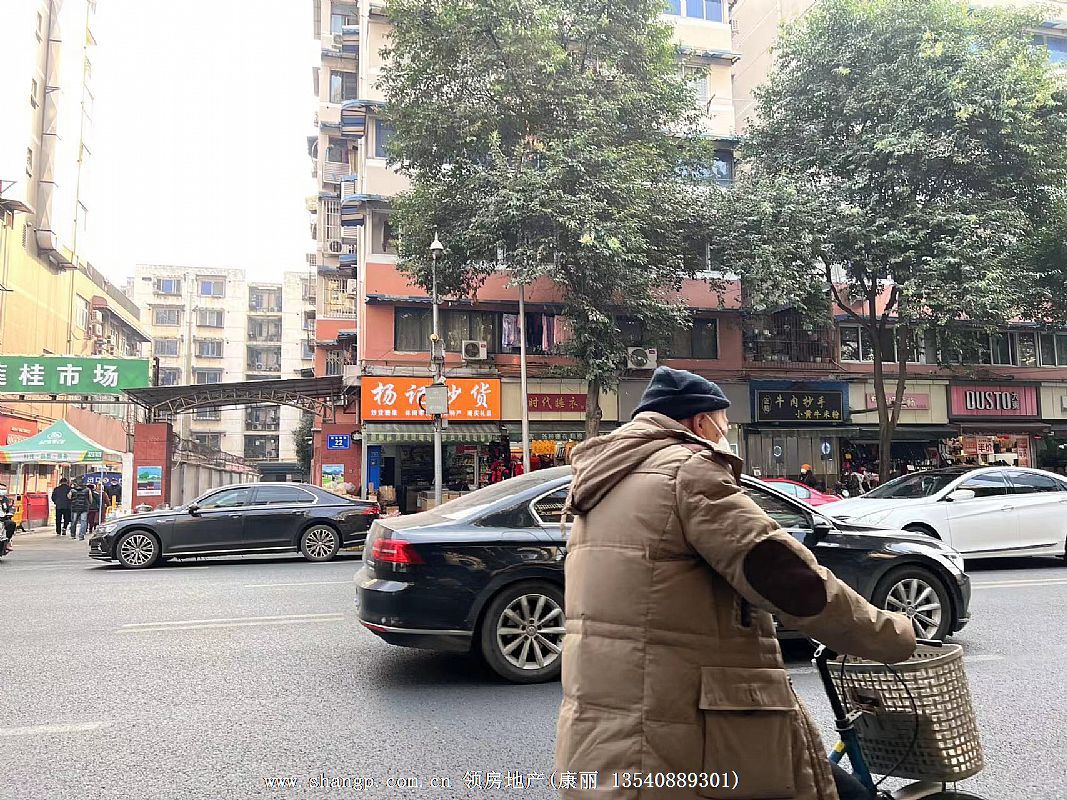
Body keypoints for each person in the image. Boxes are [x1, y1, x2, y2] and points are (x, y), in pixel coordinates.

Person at [555, 367, 915, 800]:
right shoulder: (688, 472)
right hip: (680, 738)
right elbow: (788, 578)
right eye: (724, 424)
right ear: (699, 422)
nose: (725, 434)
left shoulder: (602, 483)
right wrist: (891, 634)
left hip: (605, 738)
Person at [0, 485, 16, 555]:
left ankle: (8, 541)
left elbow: (11, 508)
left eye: (3, 489)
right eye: (1, 489)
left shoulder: (6, 500)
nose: (2, 491)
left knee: (11, 524)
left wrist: (10, 513)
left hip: (3, 519)